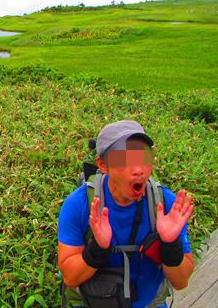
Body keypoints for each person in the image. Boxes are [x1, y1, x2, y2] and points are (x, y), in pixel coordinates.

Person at [58, 120, 194, 308]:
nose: (138, 170)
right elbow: (70, 277)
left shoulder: (165, 204)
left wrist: (170, 245)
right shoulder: (79, 204)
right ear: (103, 165)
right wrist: (98, 248)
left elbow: (181, 281)